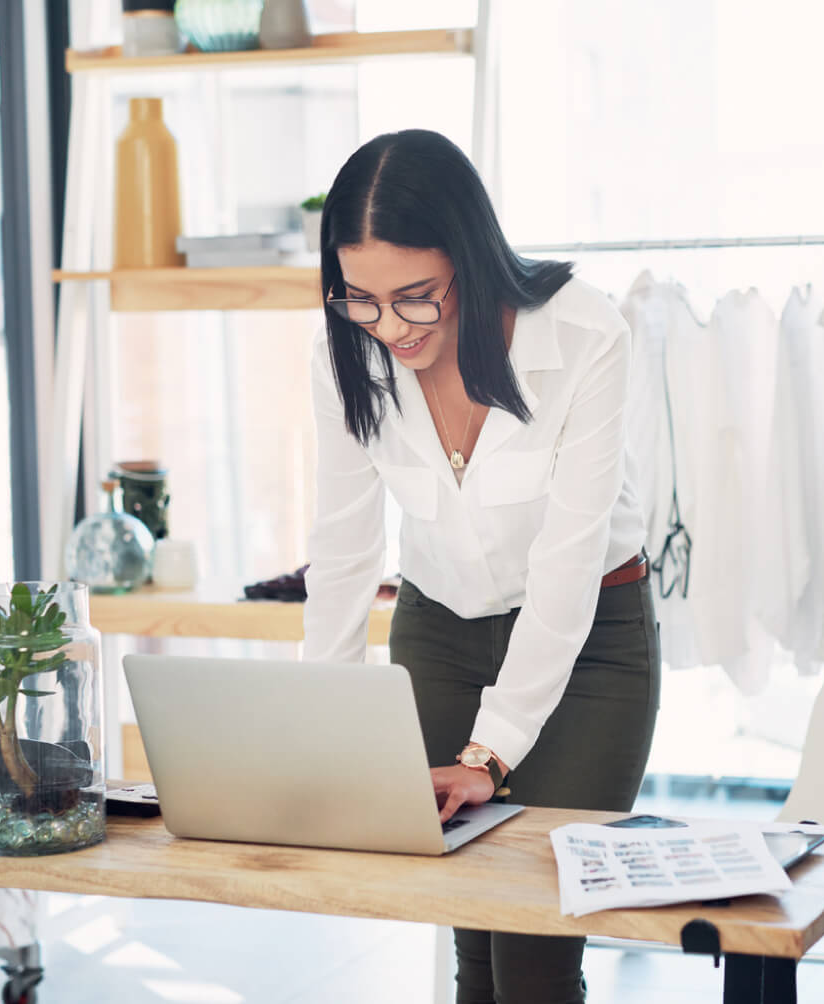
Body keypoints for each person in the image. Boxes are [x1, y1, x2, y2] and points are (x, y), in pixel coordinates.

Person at [301, 128, 660, 1004]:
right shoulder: (345, 355)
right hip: (440, 632)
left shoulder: (584, 335)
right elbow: (344, 551)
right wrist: (324, 732)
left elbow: (568, 567)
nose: (389, 327)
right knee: (469, 924)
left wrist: (489, 755)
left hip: (589, 647)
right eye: (362, 299)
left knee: (533, 943)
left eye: (416, 297)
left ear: (466, 256)